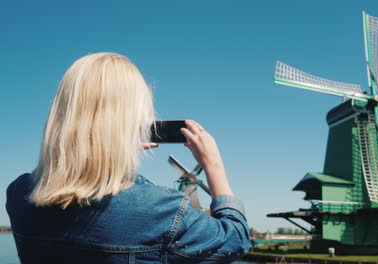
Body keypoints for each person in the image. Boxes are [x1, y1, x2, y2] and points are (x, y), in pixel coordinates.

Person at [6, 52, 250, 263]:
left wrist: (114, 154)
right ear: (132, 121)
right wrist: (213, 164)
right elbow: (235, 239)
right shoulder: (162, 210)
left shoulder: (19, 194)